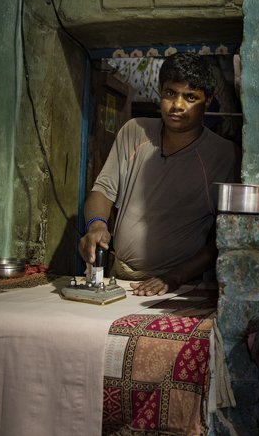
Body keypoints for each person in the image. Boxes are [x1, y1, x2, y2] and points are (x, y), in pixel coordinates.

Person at [78, 52, 240, 296]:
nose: (177, 105)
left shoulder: (225, 156)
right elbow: (102, 190)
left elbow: (228, 236)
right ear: (160, 92)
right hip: (119, 278)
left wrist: (175, 277)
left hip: (180, 287)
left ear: (207, 101)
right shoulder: (134, 131)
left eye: (190, 97)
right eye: (170, 93)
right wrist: (96, 226)